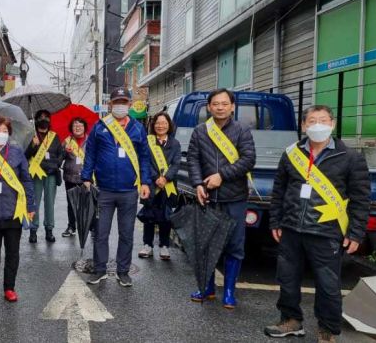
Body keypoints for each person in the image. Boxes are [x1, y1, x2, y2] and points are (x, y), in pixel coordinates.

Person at [264, 105, 370, 343]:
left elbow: (361, 198)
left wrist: (355, 232)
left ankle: (327, 331)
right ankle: (291, 321)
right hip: (291, 228)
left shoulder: (350, 157)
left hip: (327, 231)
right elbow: (279, 190)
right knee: (287, 279)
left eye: (323, 120)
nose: (317, 125)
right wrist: (275, 221)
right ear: (304, 125)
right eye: (312, 121)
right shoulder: (292, 153)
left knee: (328, 285)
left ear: (332, 124)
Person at [186, 88, 256, 308]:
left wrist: (221, 176)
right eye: (216, 103)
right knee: (206, 244)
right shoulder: (200, 131)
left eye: (224, 103)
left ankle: (229, 291)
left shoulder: (242, 130)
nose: (220, 107)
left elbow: (248, 160)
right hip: (207, 198)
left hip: (234, 198)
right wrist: (198, 183)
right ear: (209, 106)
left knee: (234, 246)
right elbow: (193, 160)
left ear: (232, 106)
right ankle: (206, 288)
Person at [81, 87, 151, 287]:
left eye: (124, 102)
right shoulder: (100, 126)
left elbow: (145, 158)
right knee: (101, 233)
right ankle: (100, 269)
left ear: (129, 104)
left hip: (129, 190)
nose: (120, 105)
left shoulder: (137, 128)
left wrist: (145, 182)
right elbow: (91, 154)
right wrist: (86, 176)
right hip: (104, 190)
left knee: (127, 233)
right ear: (110, 105)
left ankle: (123, 271)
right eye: (116, 102)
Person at [0, 116, 36, 302]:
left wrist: (30, 205)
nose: (1, 134)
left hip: (14, 210)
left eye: (4, 131)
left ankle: (9, 288)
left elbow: (26, 179)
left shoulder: (17, 152)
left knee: (12, 252)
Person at [138, 112, 180, 261]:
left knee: (166, 216)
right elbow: (145, 161)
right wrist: (156, 178)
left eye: (164, 123)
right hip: (151, 184)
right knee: (149, 215)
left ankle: (164, 246)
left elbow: (176, 164)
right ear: (153, 125)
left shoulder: (175, 143)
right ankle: (147, 245)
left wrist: (166, 178)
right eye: (157, 123)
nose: (161, 126)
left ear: (169, 125)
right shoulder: (148, 142)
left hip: (168, 185)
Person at [25, 109, 64, 243]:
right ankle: (33, 230)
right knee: (34, 202)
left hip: (51, 174)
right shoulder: (31, 136)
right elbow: (24, 155)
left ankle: (49, 229)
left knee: (49, 203)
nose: (44, 119)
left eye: (46, 117)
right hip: (35, 174)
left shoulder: (54, 136)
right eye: (40, 117)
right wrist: (32, 146)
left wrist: (55, 164)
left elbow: (61, 154)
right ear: (36, 120)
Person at [60, 117, 89, 238]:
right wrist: (64, 151)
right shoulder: (66, 141)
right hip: (70, 177)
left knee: (87, 203)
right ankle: (72, 226)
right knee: (71, 203)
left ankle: (90, 226)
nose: (78, 128)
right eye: (75, 126)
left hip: (86, 177)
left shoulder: (91, 140)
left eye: (80, 126)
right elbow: (59, 158)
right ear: (71, 128)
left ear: (84, 128)